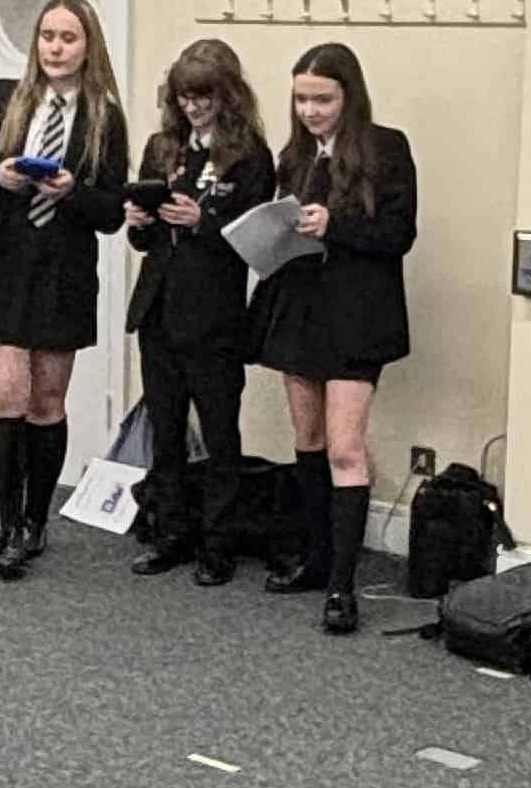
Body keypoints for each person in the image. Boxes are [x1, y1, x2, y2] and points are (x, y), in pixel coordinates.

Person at [0, 0, 132, 579]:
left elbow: (111, 212)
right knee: (6, 394)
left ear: (88, 46)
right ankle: (5, 524)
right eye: (47, 36)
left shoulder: (104, 116)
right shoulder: (1, 98)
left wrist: (72, 191)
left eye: (68, 38)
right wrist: (0, 177)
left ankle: (35, 519)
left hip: (60, 275)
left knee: (46, 402)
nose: (55, 47)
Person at [253, 40, 418, 636]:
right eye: (301, 99)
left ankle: (343, 588)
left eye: (322, 99)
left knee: (346, 446)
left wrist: (336, 225)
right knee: (309, 437)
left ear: (349, 96)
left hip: (356, 317)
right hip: (299, 309)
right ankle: (316, 558)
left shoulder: (385, 148)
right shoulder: (293, 156)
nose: (310, 110)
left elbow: (400, 234)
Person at [122, 38, 276, 587]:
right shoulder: (163, 147)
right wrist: (140, 225)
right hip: (160, 307)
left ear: (227, 96)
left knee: (219, 432)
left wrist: (201, 222)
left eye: (204, 97)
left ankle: (218, 544)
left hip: (214, 315)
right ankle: (170, 532)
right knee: (165, 430)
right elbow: (146, 241)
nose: (194, 107)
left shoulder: (251, 157)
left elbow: (255, 240)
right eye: (185, 97)